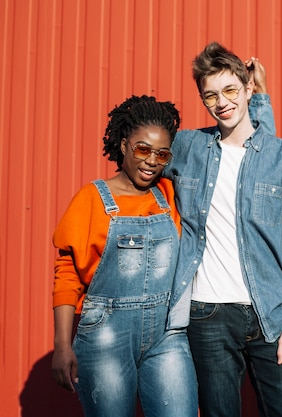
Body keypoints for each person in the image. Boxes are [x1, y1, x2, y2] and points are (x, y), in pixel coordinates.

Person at [162, 42, 282, 417]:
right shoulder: (187, 146)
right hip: (207, 314)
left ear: (250, 89)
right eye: (210, 95)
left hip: (271, 314)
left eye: (231, 90)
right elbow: (142, 161)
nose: (221, 103)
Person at [51, 95, 198, 417]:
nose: (151, 162)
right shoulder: (92, 198)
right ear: (122, 145)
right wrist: (62, 345)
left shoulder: (169, 195)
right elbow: (67, 273)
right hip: (106, 336)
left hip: (166, 334)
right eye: (142, 149)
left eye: (162, 154)